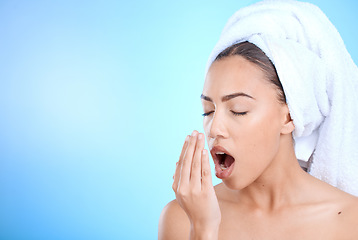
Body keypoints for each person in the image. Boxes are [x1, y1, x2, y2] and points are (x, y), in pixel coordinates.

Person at [158, 1, 358, 239]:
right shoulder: (182, 218)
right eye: (208, 111)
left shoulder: (349, 221)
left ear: (291, 115)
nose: (215, 128)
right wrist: (203, 229)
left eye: (238, 110)